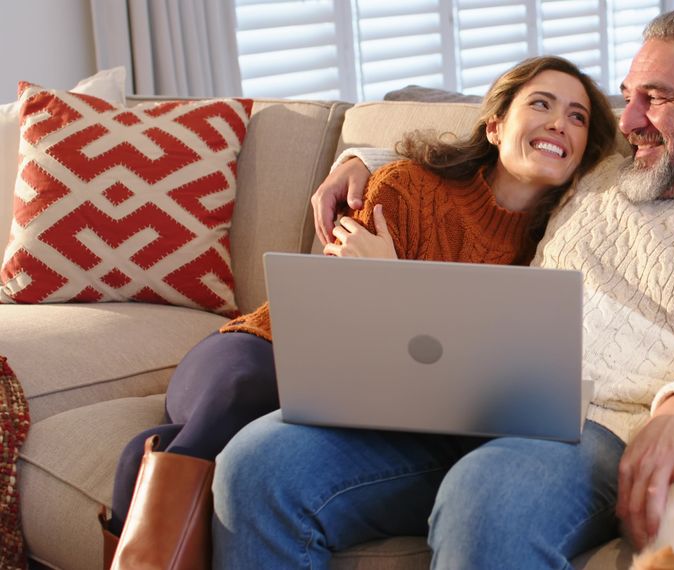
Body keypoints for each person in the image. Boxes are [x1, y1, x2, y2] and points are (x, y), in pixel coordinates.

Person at [212, 6, 674, 568]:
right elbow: (495, 161)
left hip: (598, 434)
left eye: (655, 99)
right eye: (627, 94)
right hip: (471, 401)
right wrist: (357, 160)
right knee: (261, 461)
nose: (627, 117)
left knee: (490, 493)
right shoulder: (601, 179)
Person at [101, 55, 617, 568]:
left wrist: (393, 280)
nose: (558, 122)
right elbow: (340, 331)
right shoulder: (405, 186)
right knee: (245, 395)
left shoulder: (559, 245)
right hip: (259, 351)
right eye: (542, 104)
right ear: (495, 125)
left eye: (577, 117)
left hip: (366, 399)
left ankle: (149, 471)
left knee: (169, 451)